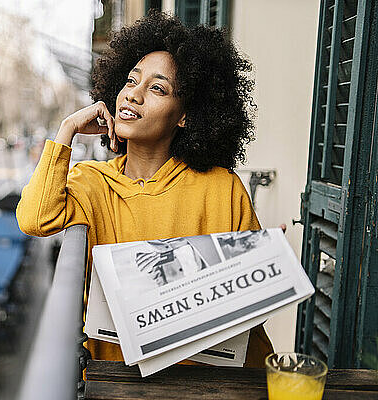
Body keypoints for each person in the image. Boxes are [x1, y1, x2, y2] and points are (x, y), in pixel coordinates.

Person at [16, 10, 273, 367]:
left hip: (213, 380)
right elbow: (33, 219)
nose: (132, 95)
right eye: (130, 81)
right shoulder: (91, 182)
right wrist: (66, 131)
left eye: (157, 88)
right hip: (123, 380)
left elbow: (254, 306)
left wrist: (268, 263)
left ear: (185, 115)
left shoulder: (222, 188)